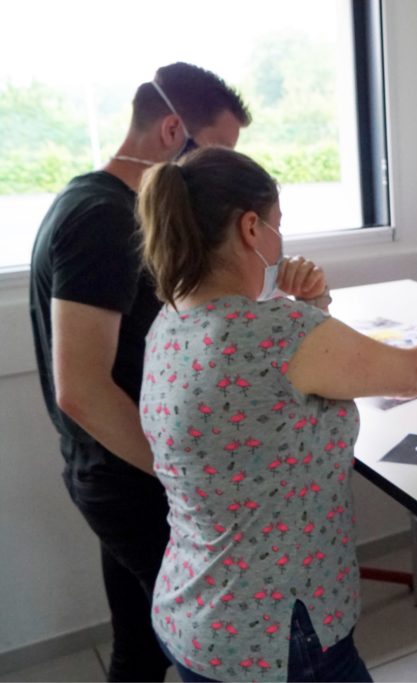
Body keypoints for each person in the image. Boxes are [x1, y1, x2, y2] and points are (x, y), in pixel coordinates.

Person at [136, 146, 417, 682]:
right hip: (277, 631)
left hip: (197, 611)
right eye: (277, 224)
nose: (282, 240)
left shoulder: (169, 323)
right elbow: (407, 374)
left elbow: (281, 401)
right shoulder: (272, 331)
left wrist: (313, 305)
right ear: (250, 228)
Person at [28, 62, 250, 682]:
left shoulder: (122, 208)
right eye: (216, 154)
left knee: (143, 643)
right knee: (216, 641)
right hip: (127, 478)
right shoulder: (102, 218)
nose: (219, 178)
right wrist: (181, 475)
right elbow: (83, 388)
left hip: (122, 469)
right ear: (173, 131)